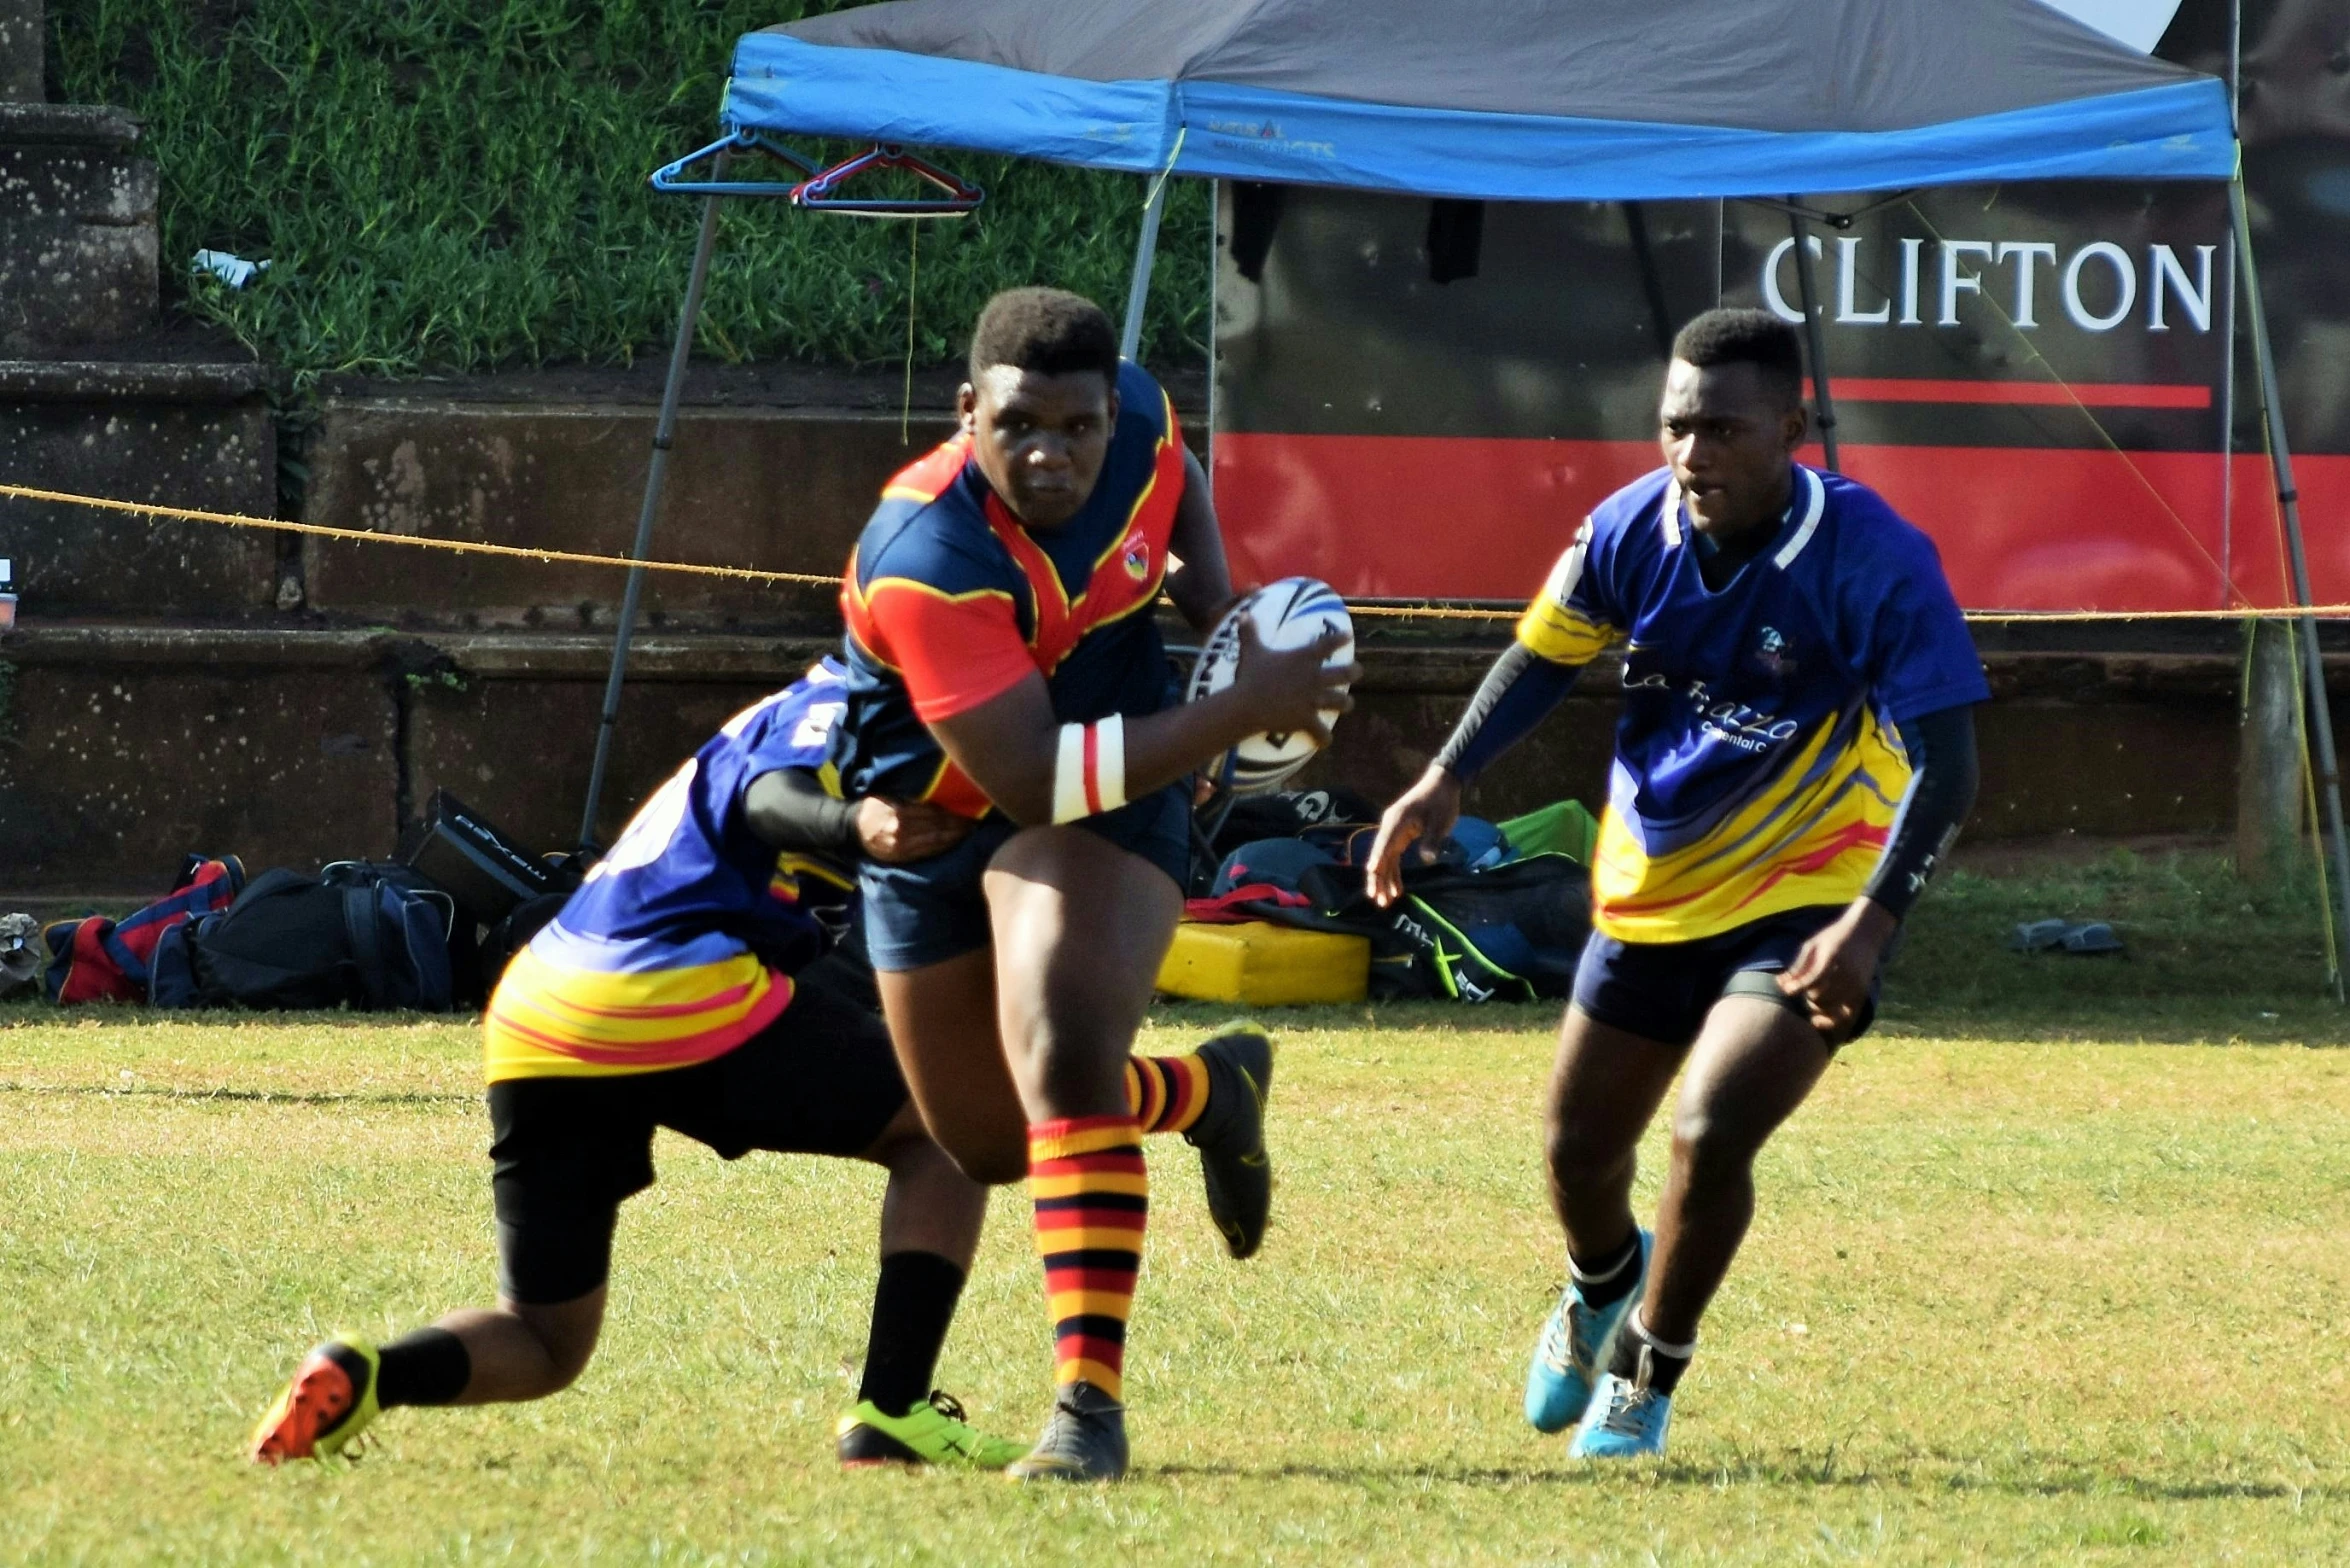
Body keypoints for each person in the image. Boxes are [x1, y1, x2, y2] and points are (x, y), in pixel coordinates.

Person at [1368, 308, 1986, 1460]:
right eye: (1674, 426)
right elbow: (1540, 658)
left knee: (1710, 1126)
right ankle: (1602, 1281)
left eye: (1722, 429)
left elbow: (1950, 762)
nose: (1692, 454)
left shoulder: (1870, 555)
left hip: (1814, 894)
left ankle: (1645, 1370)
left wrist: (1871, 921)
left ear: (1792, 428)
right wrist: (1443, 779)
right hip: (1654, 888)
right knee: (1573, 1154)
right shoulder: (1627, 529)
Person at [830, 286, 1356, 1480]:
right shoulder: (929, 554)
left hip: (1114, 777)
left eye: (1075, 427)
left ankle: (1086, 1411)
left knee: (1062, 1054)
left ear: (1106, 417)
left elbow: (1179, 483)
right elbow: (1024, 780)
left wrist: (1221, 608)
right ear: (968, 412)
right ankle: (1205, 1090)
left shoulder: (1141, 417)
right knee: (993, 1141)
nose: (1049, 451)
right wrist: (1238, 705)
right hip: (952, 819)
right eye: (1017, 424)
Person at [252, 663, 1012, 1470]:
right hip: (664, 980)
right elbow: (770, 801)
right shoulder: (842, 698)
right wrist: (853, 821)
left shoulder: (904, 711)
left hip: (542, 1003)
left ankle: (366, 1374)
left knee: (545, 1343)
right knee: (951, 1130)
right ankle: (892, 1411)